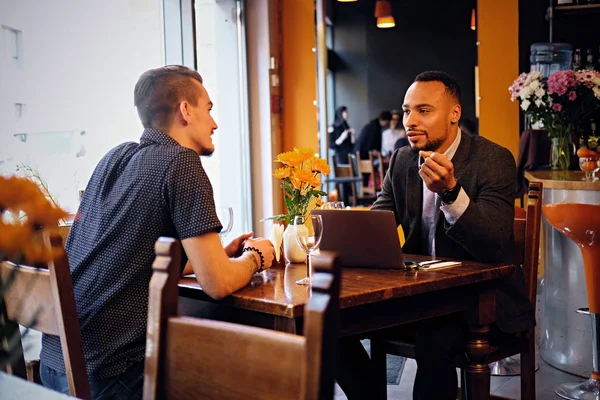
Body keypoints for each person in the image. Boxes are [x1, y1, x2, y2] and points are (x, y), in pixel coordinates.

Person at [40, 65, 275, 398]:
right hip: (113, 375)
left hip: (56, 367)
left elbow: (131, 255)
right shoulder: (181, 163)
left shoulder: (115, 157)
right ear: (185, 110)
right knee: (245, 373)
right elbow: (218, 283)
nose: (214, 123)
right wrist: (255, 257)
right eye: (208, 110)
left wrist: (217, 256)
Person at [337, 71, 534, 400]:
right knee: (331, 325)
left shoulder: (493, 160)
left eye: (423, 111)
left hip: (481, 300)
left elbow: (493, 245)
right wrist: (336, 232)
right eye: (406, 111)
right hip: (418, 297)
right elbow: (379, 222)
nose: (410, 121)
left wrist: (451, 192)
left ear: (454, 114)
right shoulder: (402, 159)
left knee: (434, 337)